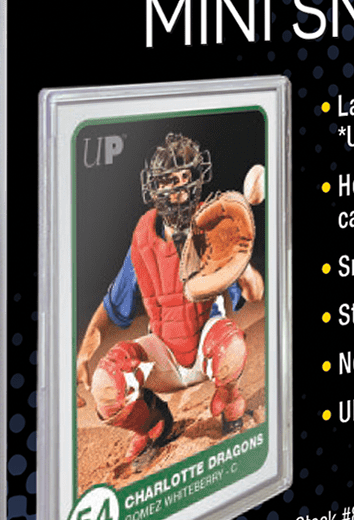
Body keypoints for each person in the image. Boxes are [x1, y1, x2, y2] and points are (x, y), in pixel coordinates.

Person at [76, 132, 264, 470]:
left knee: (232, 345)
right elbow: (112, 306)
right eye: (167, 180)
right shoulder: (143, 239)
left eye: (183, 178)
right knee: (106, 384)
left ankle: (230, 400)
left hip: (208, 351)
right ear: (153, 187)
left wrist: (242, 263)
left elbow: (254, 294)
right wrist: (84, 355)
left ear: (196, 180)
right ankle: (153, 423)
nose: (177, 189)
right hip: (164, 355)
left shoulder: (214, 227)